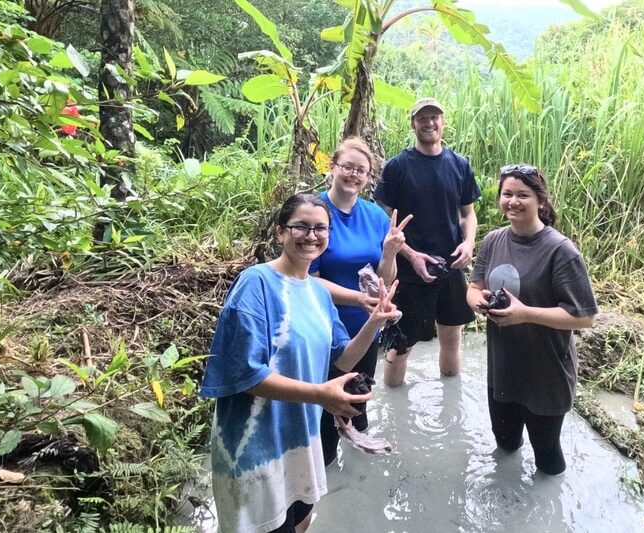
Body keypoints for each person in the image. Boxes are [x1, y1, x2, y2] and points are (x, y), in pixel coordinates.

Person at [200, 193, 400, 533]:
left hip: (301, 441)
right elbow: (245, 373)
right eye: (301, 227)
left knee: (301, 522)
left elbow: (344, 357)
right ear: (280, 232)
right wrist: (321, 395)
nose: (311, 236)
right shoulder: (255, 283)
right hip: (254, 450)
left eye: (320, 228)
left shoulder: (319, 293)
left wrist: (374, 322)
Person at [466, 164, 598, 475]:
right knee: (506, 444)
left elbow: (584, 317)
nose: (513, 201)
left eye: (523, 195)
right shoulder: (493, 241)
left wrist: (524, 314)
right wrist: (479, 303)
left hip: (546, 373)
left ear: (540, 200)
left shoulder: (561, 251)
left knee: (547, 458)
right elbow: (474, 287)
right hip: (503, 367)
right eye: (507, 194)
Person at [309, 137, 411, 465]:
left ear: (368, 177)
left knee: (358, 399)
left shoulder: (376, 216)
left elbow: (385, 279)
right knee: (325, 411)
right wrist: (357, 298)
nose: (354, 175)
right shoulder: (315, 213)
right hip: (324, 328)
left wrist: (390, 252)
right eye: (348, 167)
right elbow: (308, 279)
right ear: (332, 168)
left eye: (361, 170)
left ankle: (358, 471)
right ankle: (326, 471)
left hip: (366, 327)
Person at [373, 97, 481, 387]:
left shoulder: (459, 164)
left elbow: (468, 214)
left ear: (443, 122)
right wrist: (411, 255)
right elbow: (383, 222)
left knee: (452, 340)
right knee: (400, 346)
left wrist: (469, 243)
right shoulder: (398, 167)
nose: (429, 123)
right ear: (413, 125)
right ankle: (394, 404)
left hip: (450, 267)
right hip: (409, 274)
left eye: (434, 117)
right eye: (422, 118)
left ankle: (451, 402)